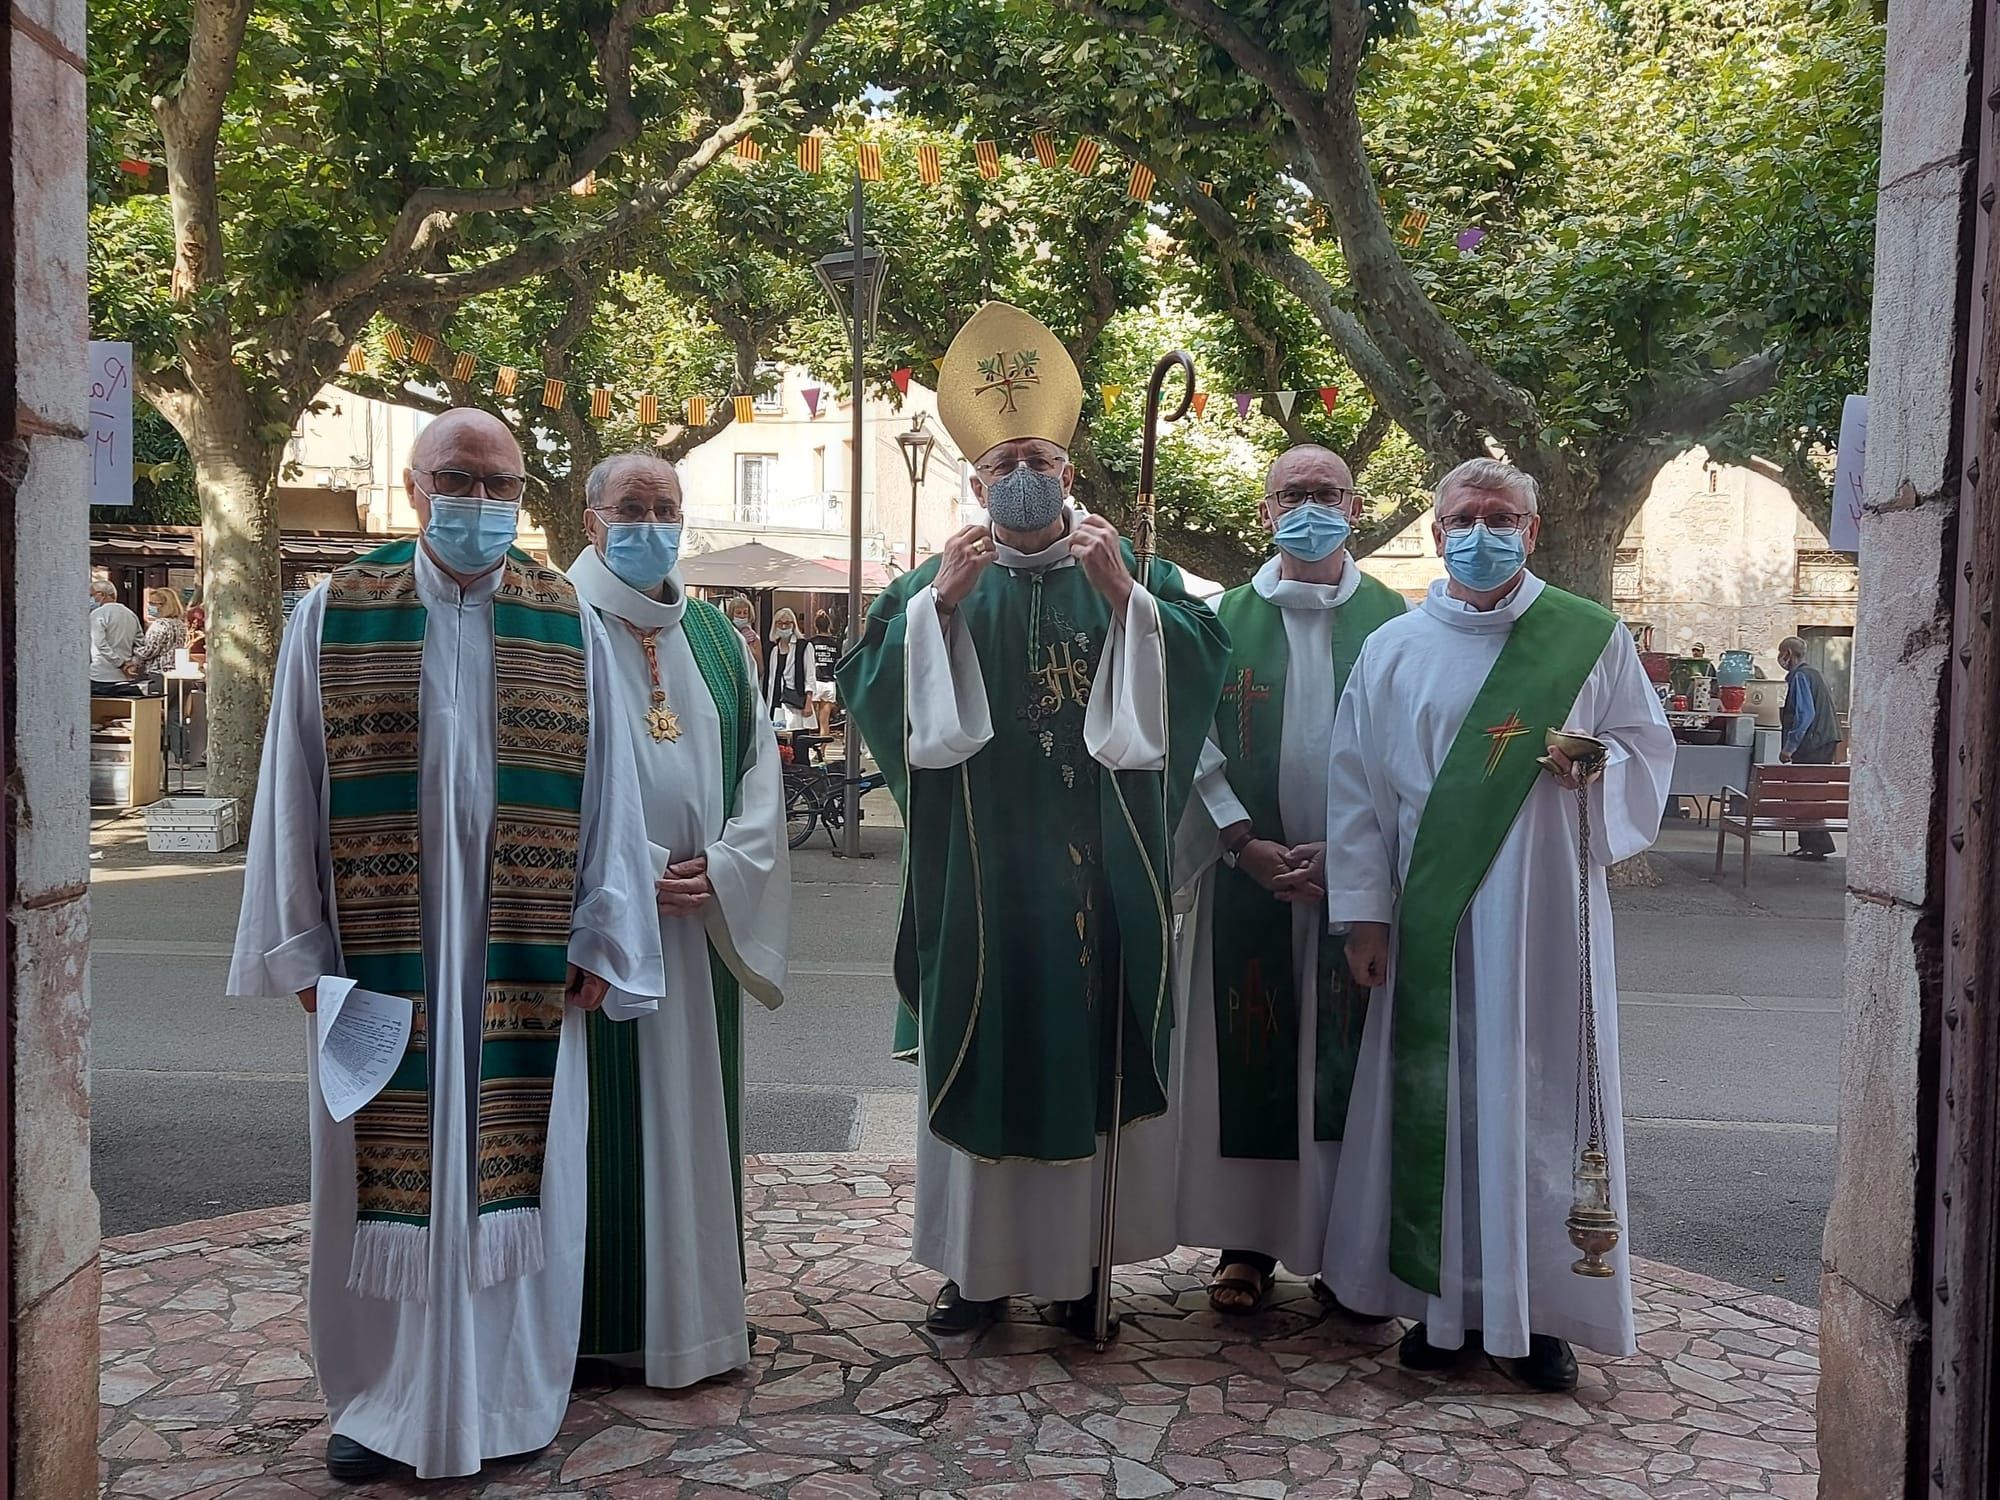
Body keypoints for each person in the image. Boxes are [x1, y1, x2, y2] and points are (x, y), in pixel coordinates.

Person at [226, 408, 666, 1482]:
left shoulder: (564, 620)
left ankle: (509, 1403)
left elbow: (612, 798)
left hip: (524, 963)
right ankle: (379, 1407)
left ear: (524, 496)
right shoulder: (336, 613)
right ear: (417, 492)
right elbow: (293, 786)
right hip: (376, 961)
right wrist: (301, 945)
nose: (481, 503)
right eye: (459, 481)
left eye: (502, 485)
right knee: (366, 1184)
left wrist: (603, 930)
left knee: (526, 1194)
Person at [837, 301, 1230, 1339]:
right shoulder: (931, 586)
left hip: (1097, 880)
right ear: (974, 481)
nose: (1022, 471)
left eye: (1039, 456)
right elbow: (871, 690)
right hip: (980, 887)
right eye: (1003, 456)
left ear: (1068, 473)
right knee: (983, 1050)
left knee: (1084, 1063)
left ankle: (1077, 1271)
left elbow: (1196, 663)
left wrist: (1126, 604)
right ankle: (974, 1271)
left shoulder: (1133, 572)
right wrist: (942, 614)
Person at [1321, 457, 1672, 1392]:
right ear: (1437, 535)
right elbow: (1354, 791)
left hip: (1549, 920)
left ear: (1533, 528)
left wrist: (1600, 766)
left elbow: (1647, 747)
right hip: (1429, 922)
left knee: (1542, 1101)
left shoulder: (1588, 640)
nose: (1482, 532)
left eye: (1501, 517)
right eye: (1465, 518)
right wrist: (1363, 919)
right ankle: (1447, 1310)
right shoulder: (1393, 647)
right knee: (1441, 1103)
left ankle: (1541, 1314)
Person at [565, 452, 790, 1388]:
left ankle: (691, 1326)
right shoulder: (551, 623)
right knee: (594, 1129)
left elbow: (758, 773)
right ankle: (589, 1331)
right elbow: (539, 776)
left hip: (700, 924)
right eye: (632, 507)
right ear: (592, 522)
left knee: (694, 1121)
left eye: (666, 508)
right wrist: (630, 868)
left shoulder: (711, 632)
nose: (651, 523)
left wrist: (730, 866)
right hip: (602, 928)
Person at [1173, 444, 1406, 1315]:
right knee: (1257, 1061)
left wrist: (1352, 858)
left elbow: (1414, 752)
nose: (1312, 506)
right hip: (1253, 879)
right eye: (1293, 494)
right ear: (1265, 513)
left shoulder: (1399, 622)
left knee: (1350, 1068)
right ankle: (1249, 1244)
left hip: (1361, 887)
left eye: (1328, 493)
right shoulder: (1218, 618)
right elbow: (1185, 738)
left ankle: (1352, 1255)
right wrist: (1240, 840)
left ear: (1355, 505)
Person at [1777, 635, 1839, 860]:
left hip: (1812, 743)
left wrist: (1789, 748)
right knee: (1813, 794)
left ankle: (1815, 844)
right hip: (1825, 740)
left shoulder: (1801, 676)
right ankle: (1813, 844)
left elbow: (1805, 714)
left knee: (1804, 793)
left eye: (1781, 653)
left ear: (1789, 655)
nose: (1780, 659)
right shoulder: (1815, 674)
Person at [762, 607, 814, 733]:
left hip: (795, 702)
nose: (784, 627)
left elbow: (810, 676)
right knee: (779, 738)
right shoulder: (772, 648)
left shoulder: (804, 646)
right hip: (775, 702)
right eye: (780, 623)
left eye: (787, 623)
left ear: (793, 624)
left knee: (797, 737)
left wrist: (808, 702)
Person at [88, 578, 142, 695]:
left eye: (91, 595)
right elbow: (140, 643)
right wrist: (133, 663)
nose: (90, 599)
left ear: (101, 595)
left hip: (100, 674)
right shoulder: (130, 614)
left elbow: (100, 643)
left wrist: (120, 663)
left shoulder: (97, 614)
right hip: (124, 676)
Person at [124, 587, 188, 686]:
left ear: (165, 605)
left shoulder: (160, 624)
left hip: (158, 672)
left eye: (153, 604)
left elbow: (149, 651)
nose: (149, 607)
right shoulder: (180, 624)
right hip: (176, 672)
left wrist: (133, 649)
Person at [808, 608, 841, 738]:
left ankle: (810, 748)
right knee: (824, 721)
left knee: (811, 721)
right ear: (829, 626)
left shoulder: (811, 643)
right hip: (829, 683)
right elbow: (838, 662)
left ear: (815, 625)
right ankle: (822, 751)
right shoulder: (835, 644)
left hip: (814, 681)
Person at [726, 596, 762, 673]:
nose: (742, 616)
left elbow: (760, 668)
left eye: (745, 612)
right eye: (738, 612)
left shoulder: (754, 638)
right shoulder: (726, 635)